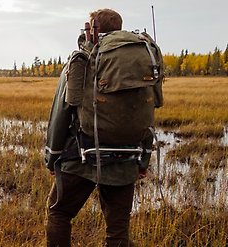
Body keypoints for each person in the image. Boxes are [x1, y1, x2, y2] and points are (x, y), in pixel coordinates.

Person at [45, 8, 159, 247]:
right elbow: (147, 113)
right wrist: (143, 161)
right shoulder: (142, 60)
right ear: (118, 28)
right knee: (118, 229)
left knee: (59, 213)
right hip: (127, 159)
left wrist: (52, 157)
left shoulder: (83, 59)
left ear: (92, 28)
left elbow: (61, 113)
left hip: (82, 157)